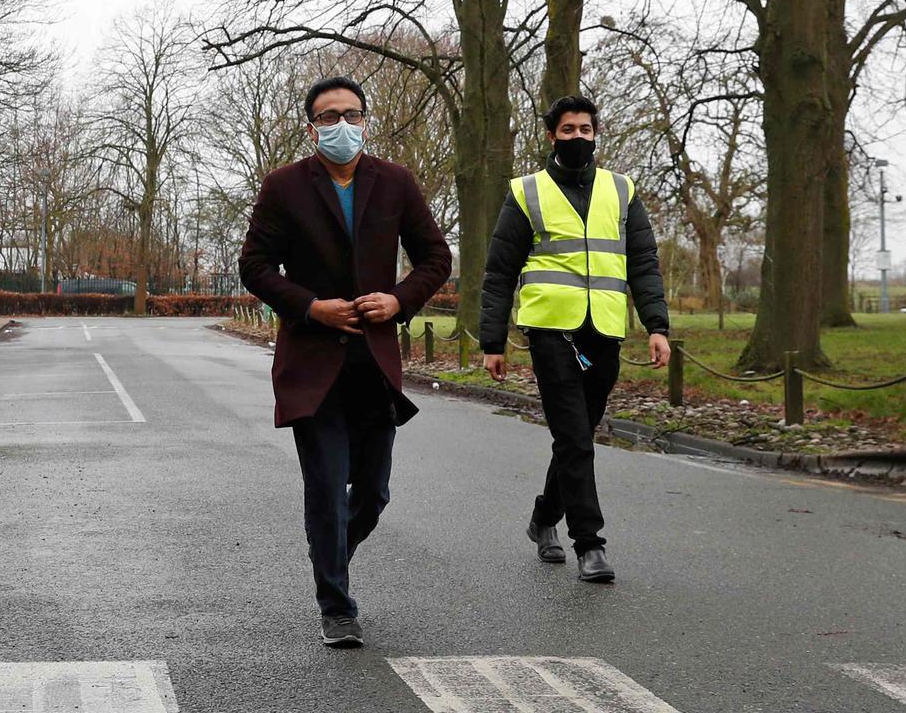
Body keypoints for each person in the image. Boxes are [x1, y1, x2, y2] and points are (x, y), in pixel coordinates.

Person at [239, 76, 452, 647]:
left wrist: (400, 300)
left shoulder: (396, 182)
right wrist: (311, 307)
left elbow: (436, 256)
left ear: (365, 120)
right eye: (329, 116)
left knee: (373, 493)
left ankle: (330, 552)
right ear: (312, 127)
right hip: (312, 365)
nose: (342, 125)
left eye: (351, 114)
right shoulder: (284, 187)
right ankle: (336, 603)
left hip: (375, 365)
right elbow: (255, 267)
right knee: (328, 489)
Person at [480, 95, 670, 583]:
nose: (579, 137)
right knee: (572, 434)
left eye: (586, 129)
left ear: (596, 134)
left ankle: (544, 518)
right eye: (569, 130)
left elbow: (643, 263)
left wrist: (657, 326)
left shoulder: (622, 190)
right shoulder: (527, 192)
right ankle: (591, 543)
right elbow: (500, 271)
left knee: (578, 435)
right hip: (551, 330)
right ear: (551, 136)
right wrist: (492, 341)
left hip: (604, 328)